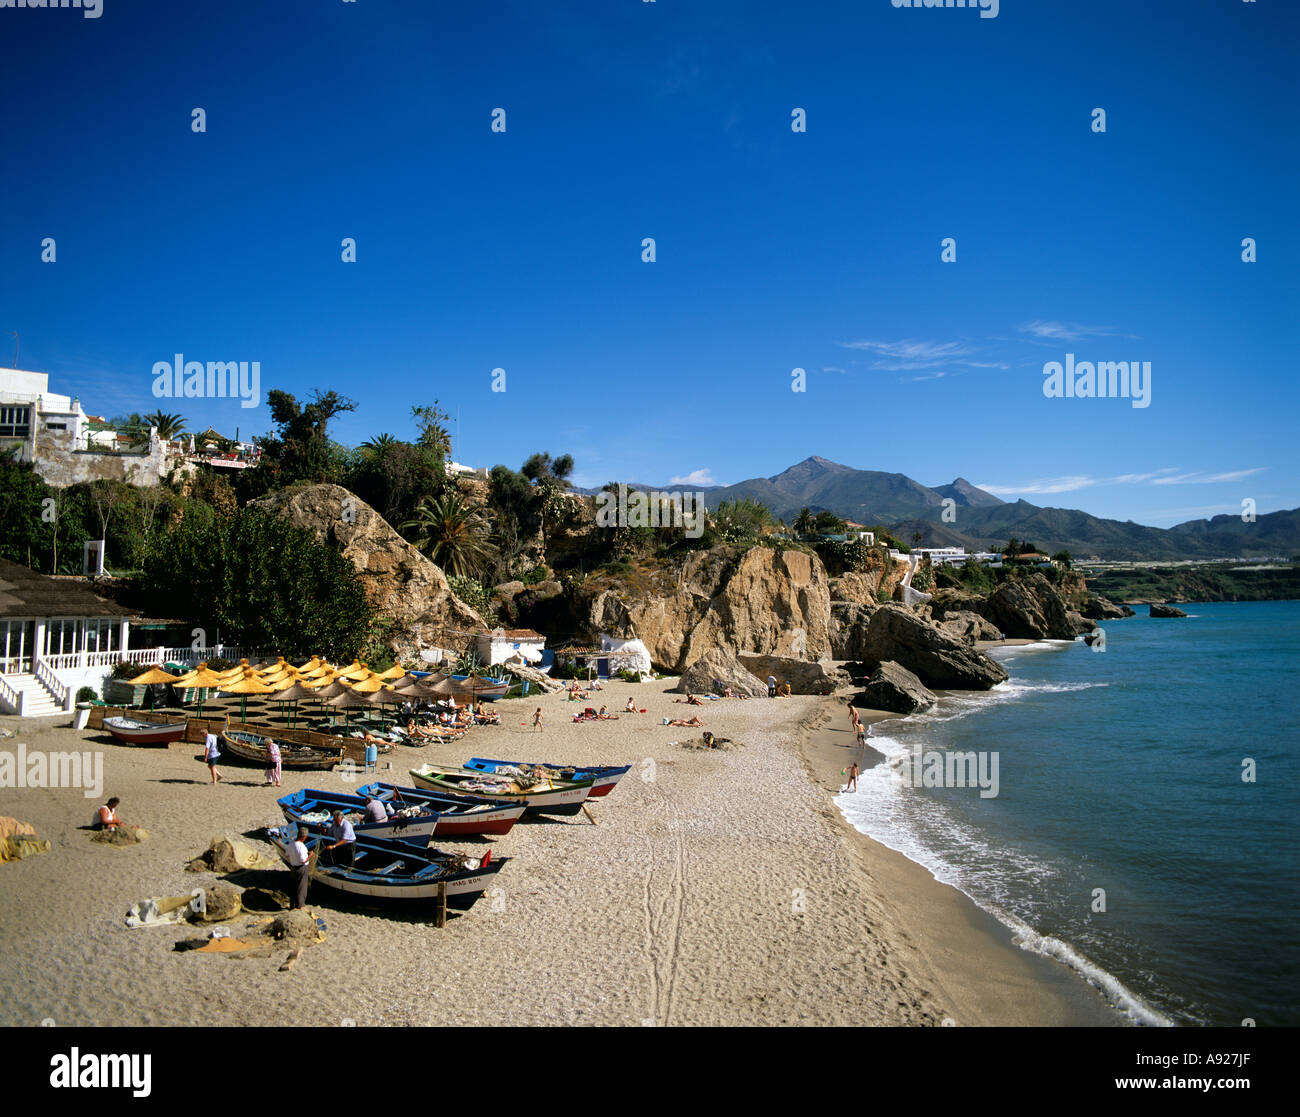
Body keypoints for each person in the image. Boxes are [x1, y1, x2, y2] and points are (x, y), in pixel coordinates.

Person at [286, 826, 312, 910]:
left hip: (293, 867)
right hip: (301, 868)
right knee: (301, 888)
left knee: (293, 887)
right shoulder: (301, 846)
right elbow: (303, 860)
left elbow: (287, 854)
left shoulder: (291, 843)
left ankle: (292, 906)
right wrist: (310, 856)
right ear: (304, 837)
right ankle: (300, 906)